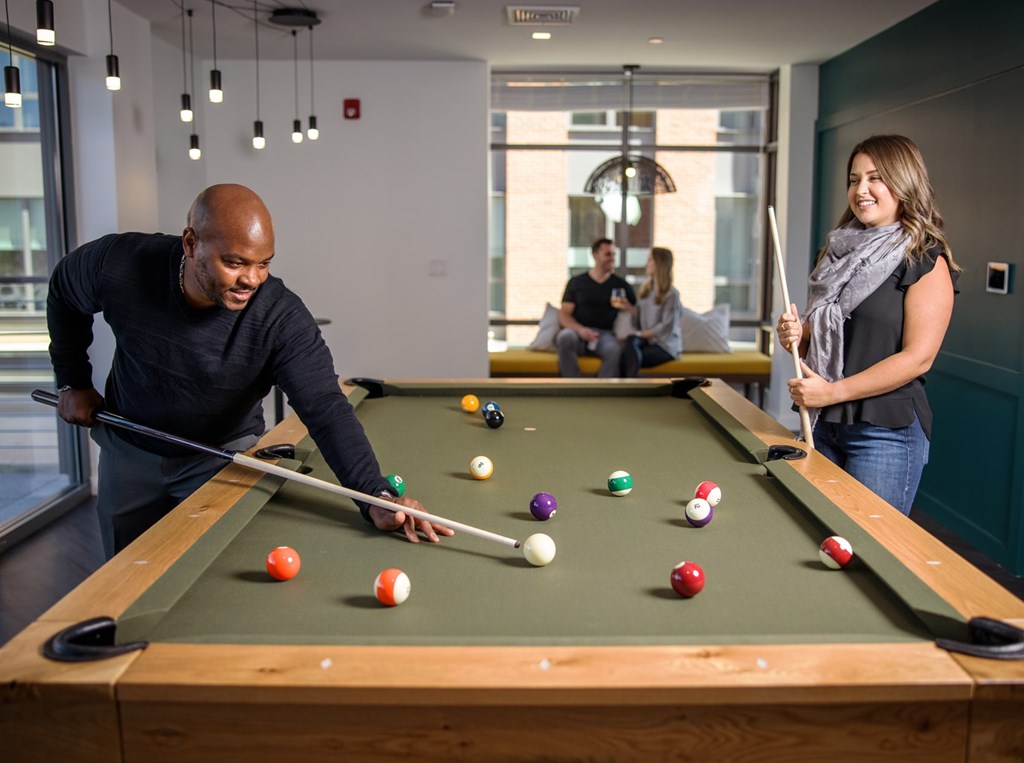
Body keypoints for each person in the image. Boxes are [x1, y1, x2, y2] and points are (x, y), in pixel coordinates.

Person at [47, 183, 453, 558]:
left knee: (218, 574)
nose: (251, 279)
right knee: (123, 574)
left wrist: (374, 495)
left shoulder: (280, 317)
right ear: (191, 243)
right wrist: (73, 380)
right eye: (235, 262)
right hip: (130, 447)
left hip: (222, 458)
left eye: (264, 264)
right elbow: (63, 290)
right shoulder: (120, 264)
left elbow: (324, 407)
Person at [776, 134, 960, 516]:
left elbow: (917, 359)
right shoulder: (835, 251)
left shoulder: (924, 259)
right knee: (821, 539)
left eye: (876, 178)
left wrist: (831, 393)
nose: (862, 190)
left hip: (884, 434)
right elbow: (833, 332)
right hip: (825, 424)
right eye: (854, 179)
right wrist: (799, 334)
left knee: (865, 552)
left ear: (905, 183)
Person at [555, 238, 635, 377]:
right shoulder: (576, 282)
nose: (612, 258)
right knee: (564, 337)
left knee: (614, 350)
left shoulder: (621, 285)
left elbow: (637, 313)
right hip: (578, 333)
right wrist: (580, 330)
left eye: (614, 254)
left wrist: (626, 306)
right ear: (595, 255)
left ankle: (602, 392)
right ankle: (572, 388)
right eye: (608, 254)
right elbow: (564, 315)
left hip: (605, 335)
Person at [620, 247, 682, 377]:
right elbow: (640, 318)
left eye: (649, 260)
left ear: (659, 264)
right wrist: (629, 308)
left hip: (664, 346)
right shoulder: (646, 289)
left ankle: (629, 389)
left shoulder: (671, 294)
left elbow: (666, 326)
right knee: (630, 343)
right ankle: (630, 388)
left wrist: (641, 334)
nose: (645, 264)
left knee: (628, 358)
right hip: (648, 341)